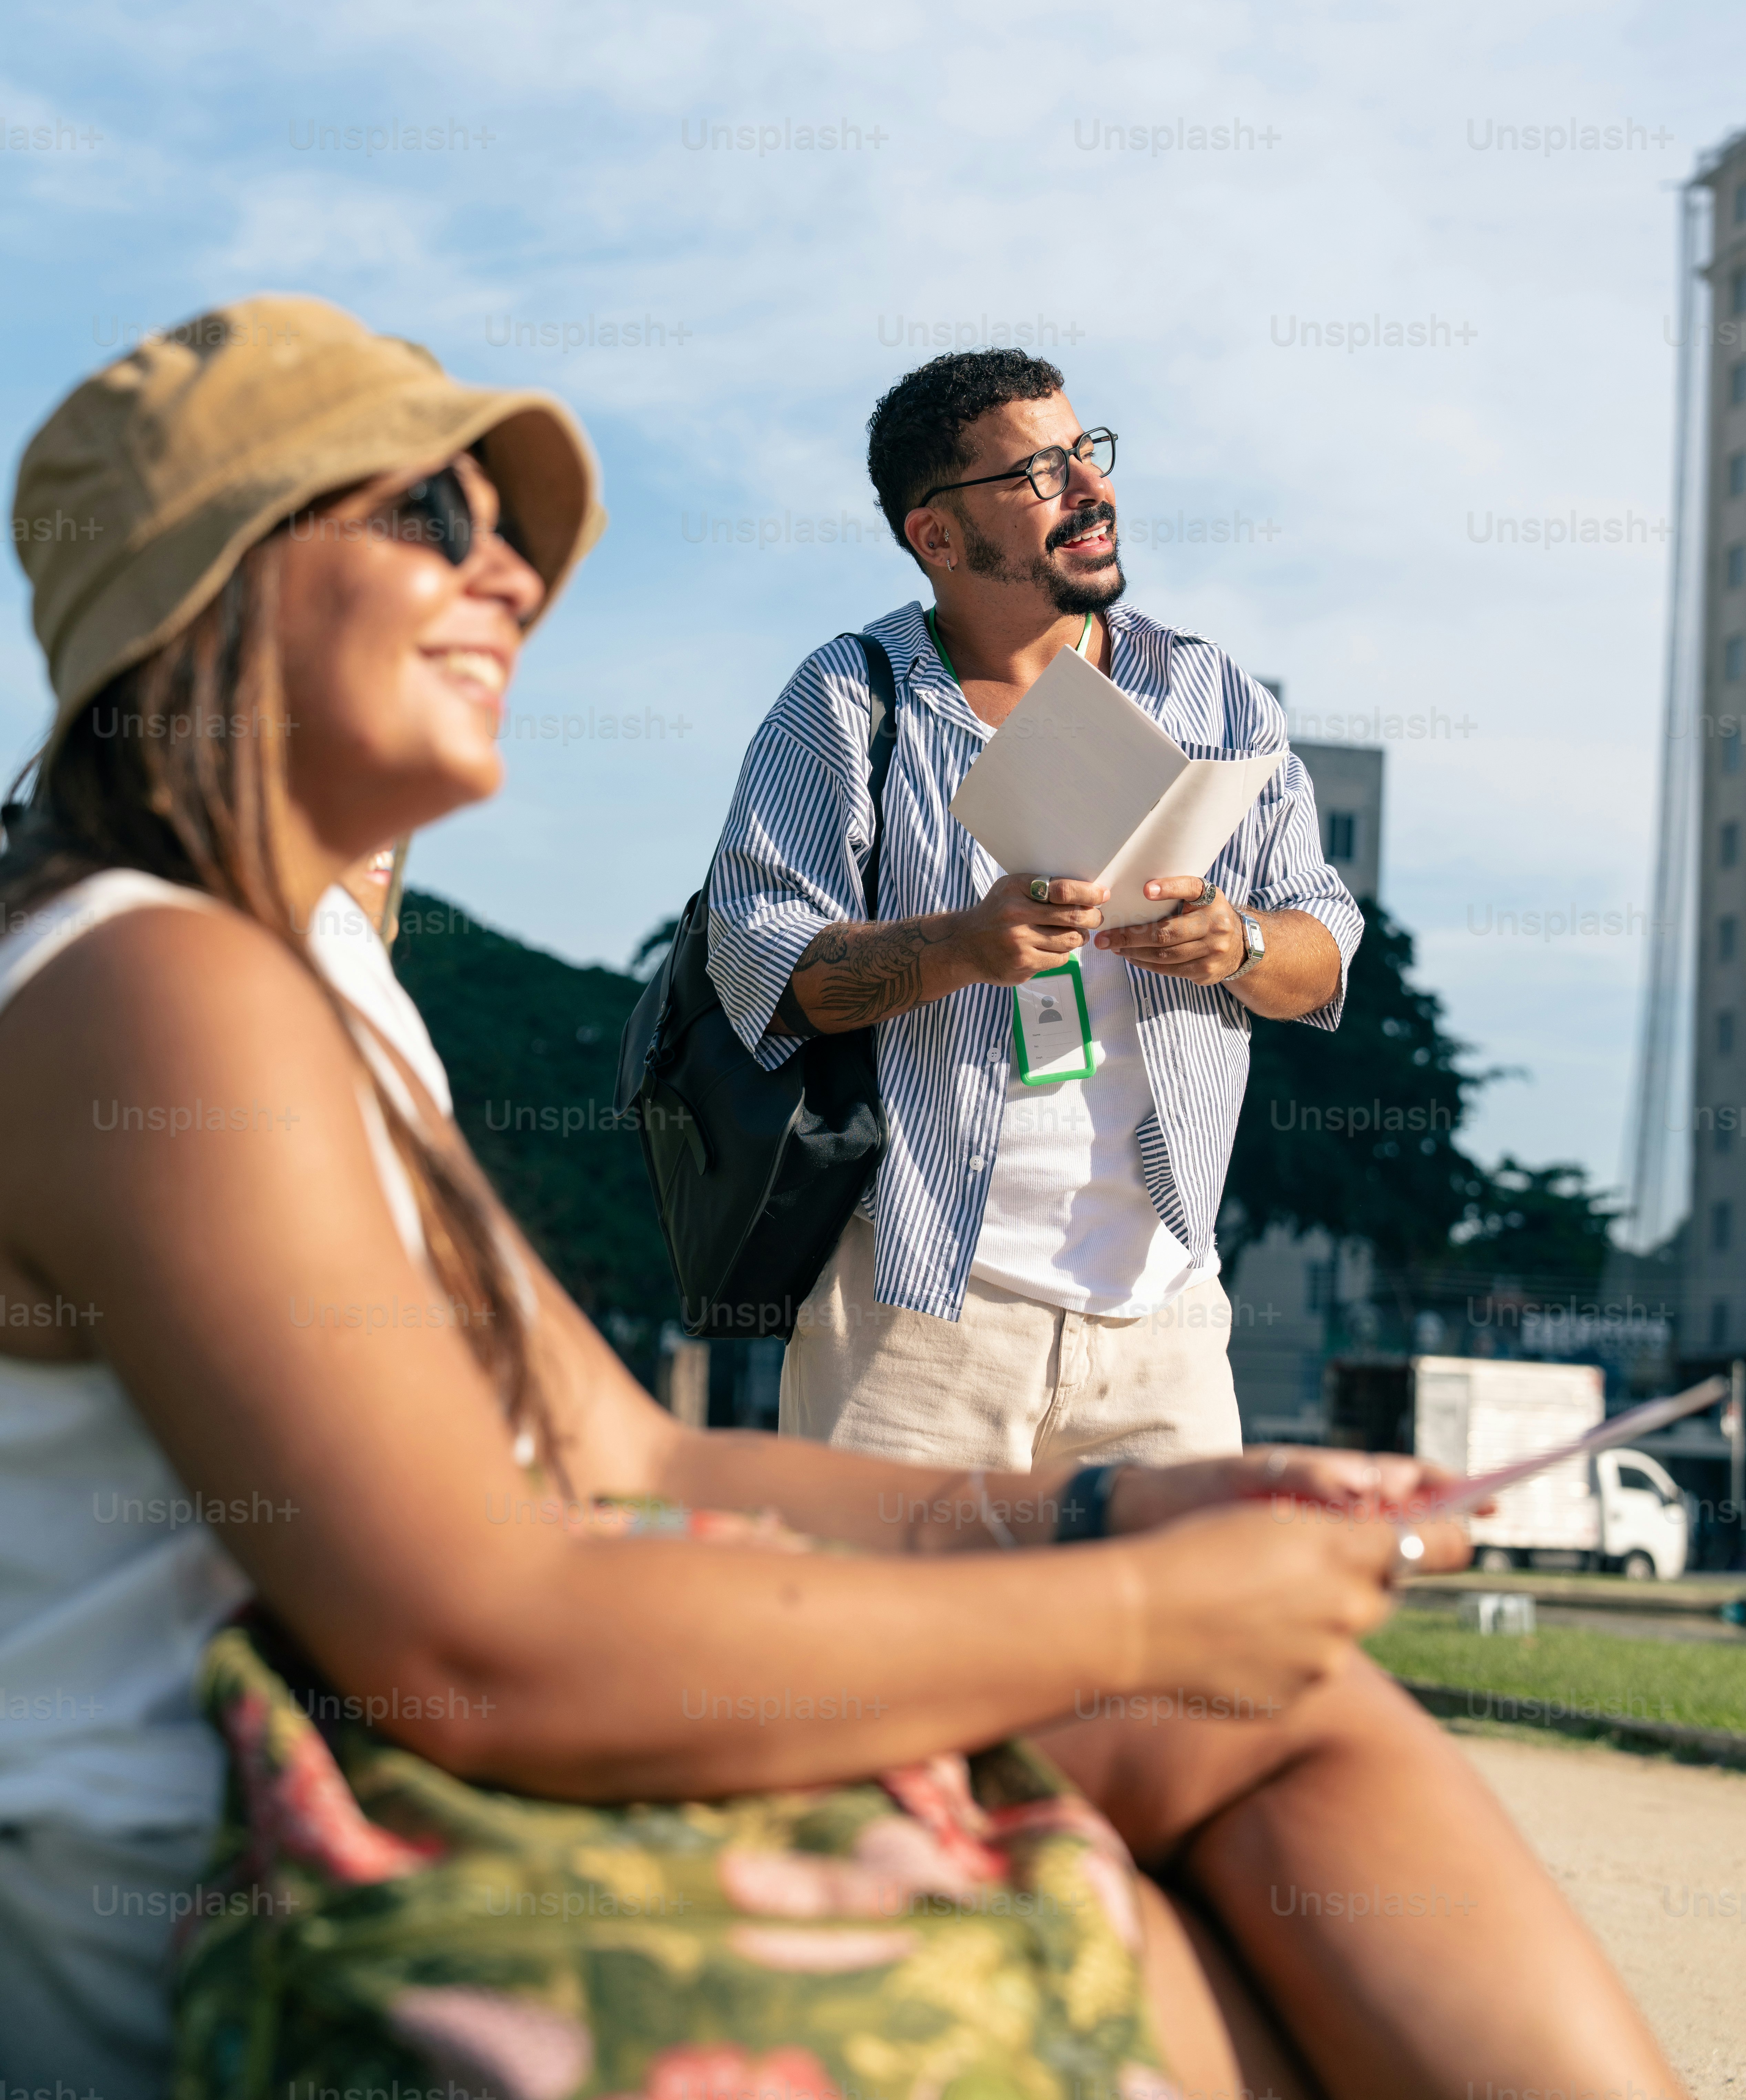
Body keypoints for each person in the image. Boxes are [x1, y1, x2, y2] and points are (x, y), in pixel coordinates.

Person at [0, 296, 1682, 2100]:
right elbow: (475, 1634)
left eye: (514, 534)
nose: (509, 579)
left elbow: (632, 1463)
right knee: (1240, 1743)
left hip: (1118, 1318)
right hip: (287, 1875)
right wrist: (1145, 1610)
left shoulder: (299, 970)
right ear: (205, 582)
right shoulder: (152, 977)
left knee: (1251, 1765)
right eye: (431, 516)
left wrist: (1134, 1499)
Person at [707, 350, 1358, 1469]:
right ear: (939, 536)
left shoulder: (1212, 694)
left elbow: (1323, 946)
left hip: (1167, 1325)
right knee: (887, 1648)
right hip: (913, 1319)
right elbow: (761, 966)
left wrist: (1237, 942)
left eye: (1086, 454)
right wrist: (962, 944)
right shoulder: (848, 700)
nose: (1089, 489)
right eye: (1040, 473)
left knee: (1177, 1648)